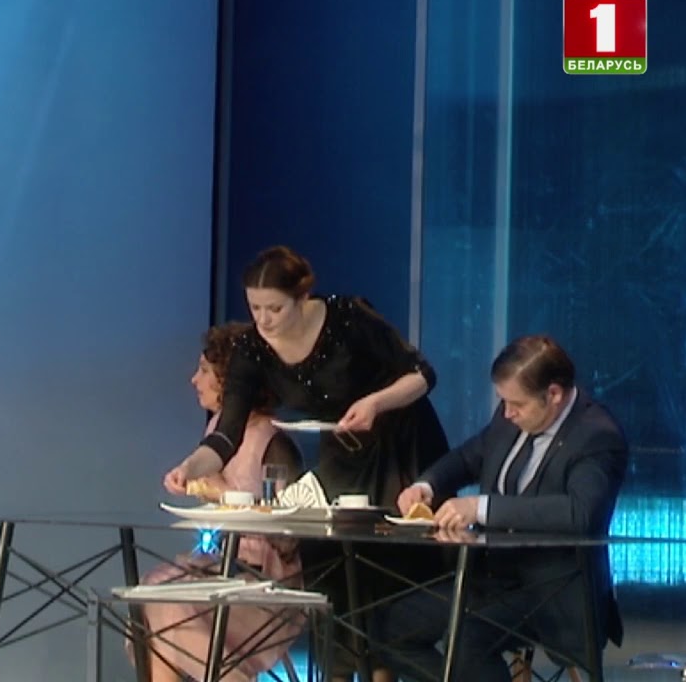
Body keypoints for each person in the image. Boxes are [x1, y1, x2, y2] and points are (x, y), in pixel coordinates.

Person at [163, 245, 450, 681]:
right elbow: (226, 433)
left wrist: (376, 402)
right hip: (344, 450)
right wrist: (191, 467)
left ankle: (383, 671)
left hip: (399, 444)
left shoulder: (348, 318)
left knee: (385, 568)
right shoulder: (252, 349)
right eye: (255, 308)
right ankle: (338, 672)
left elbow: (422, 374)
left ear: (301, 298)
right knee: (329, 559)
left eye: (275, 308)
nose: (264, 319)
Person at [377, 334, 628, 682]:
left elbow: (579, 513)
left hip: (552, 590)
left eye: (517, 405)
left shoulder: (597, 435)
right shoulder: (511, 416)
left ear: (554, 394)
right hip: (490, 579)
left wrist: (481, 508)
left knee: (468, 637)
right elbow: (469, 457)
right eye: (504, 403)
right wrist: (426, 485)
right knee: (391, 626)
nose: (508, 413)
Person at [137, 322, 305, 682]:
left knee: (173, 607)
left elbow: (290, 534)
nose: (193, 380)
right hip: (222, 566)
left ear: (231, 381)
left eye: (204, 370)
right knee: (149, 595)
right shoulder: (216, 429)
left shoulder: (273, 441)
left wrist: (224, 494)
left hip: (266, 585)